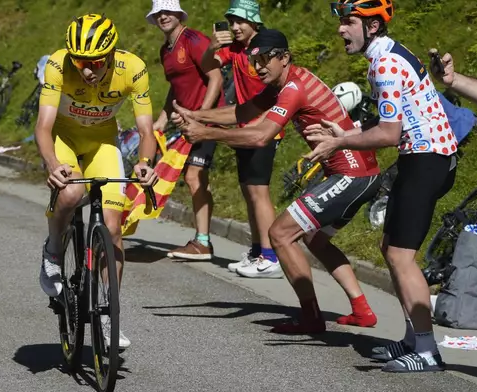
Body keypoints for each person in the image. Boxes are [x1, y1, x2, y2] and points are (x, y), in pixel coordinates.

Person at [171, 28, 381, 331]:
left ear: (285, 58)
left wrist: (205, 133)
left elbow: (260, 135)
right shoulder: (284, 83)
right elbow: (243, 112)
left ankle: (311, 317)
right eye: (253, 61)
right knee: (315, 239)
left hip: (352, 172)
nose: (258, 68)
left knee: (281, 234)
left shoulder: (293, 87)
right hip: (358, 172)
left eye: (265, 59)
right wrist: (198, 116)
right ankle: (362, 310)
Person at [304, 0, 458, 372]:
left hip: (428, 159)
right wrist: (347, 131)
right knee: (390, 248)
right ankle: (412, 339)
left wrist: (339, 142)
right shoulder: (385, 55)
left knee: (402, 257)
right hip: (421, 156)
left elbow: (388, 134)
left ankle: (427, 352)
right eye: (341, 21)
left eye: (349, 21)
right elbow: (388, 120)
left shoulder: (385, 64)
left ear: (372, 27)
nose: (341, 29)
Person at [35, 14, 159, 350]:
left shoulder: (133, 68)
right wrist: (52, 164)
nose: (87, 70)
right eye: (81, 63)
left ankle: (108, 318)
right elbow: (44, 127)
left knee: (114, 227)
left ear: (111, 55)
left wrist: (146, 163)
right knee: (72, 191)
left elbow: (147, 132)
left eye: (96, 63)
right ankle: (54, 250)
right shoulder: (58, 66)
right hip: (64, 139)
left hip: (103, 142)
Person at [200, 0, 285, 278]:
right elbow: (205, 66)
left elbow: (277, 89)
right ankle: (258, 250)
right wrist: (212, 46)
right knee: (249, 192)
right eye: (231, 21)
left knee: (259, 192)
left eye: (241, 21)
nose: (235, 27)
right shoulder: (234, 49)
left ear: (254, 22)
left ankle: (270, 256)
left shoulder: (265, 46)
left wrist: (267, 124)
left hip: (266, 128)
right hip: (243, 126)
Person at [146, 0, 225, 261]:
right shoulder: (165, 50)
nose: (164, 16)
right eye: (159, 13)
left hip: (207, 120)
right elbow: (175, 88)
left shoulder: (193, 39)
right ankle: (202, 240)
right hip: (186, 124)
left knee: (194, 177)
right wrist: (162, 119)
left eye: (168, 11)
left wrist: (201, 117)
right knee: (193, 178)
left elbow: (215, 77)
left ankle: (203, 242)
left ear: (179, 14)